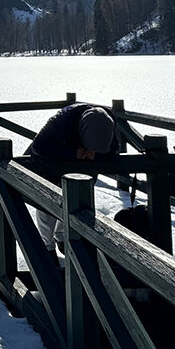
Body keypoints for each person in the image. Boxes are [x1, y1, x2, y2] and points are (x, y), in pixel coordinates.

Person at [25, 104, 118, 253]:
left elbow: (112, 151)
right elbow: (39, 147)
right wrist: (71, 152)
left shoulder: (107, 124)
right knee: (47, 204)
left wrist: (97, 155)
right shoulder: (61, 121)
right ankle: (46, 246)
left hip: (83, 175)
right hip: (49, 169)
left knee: (76, 203)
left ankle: (63, 237)